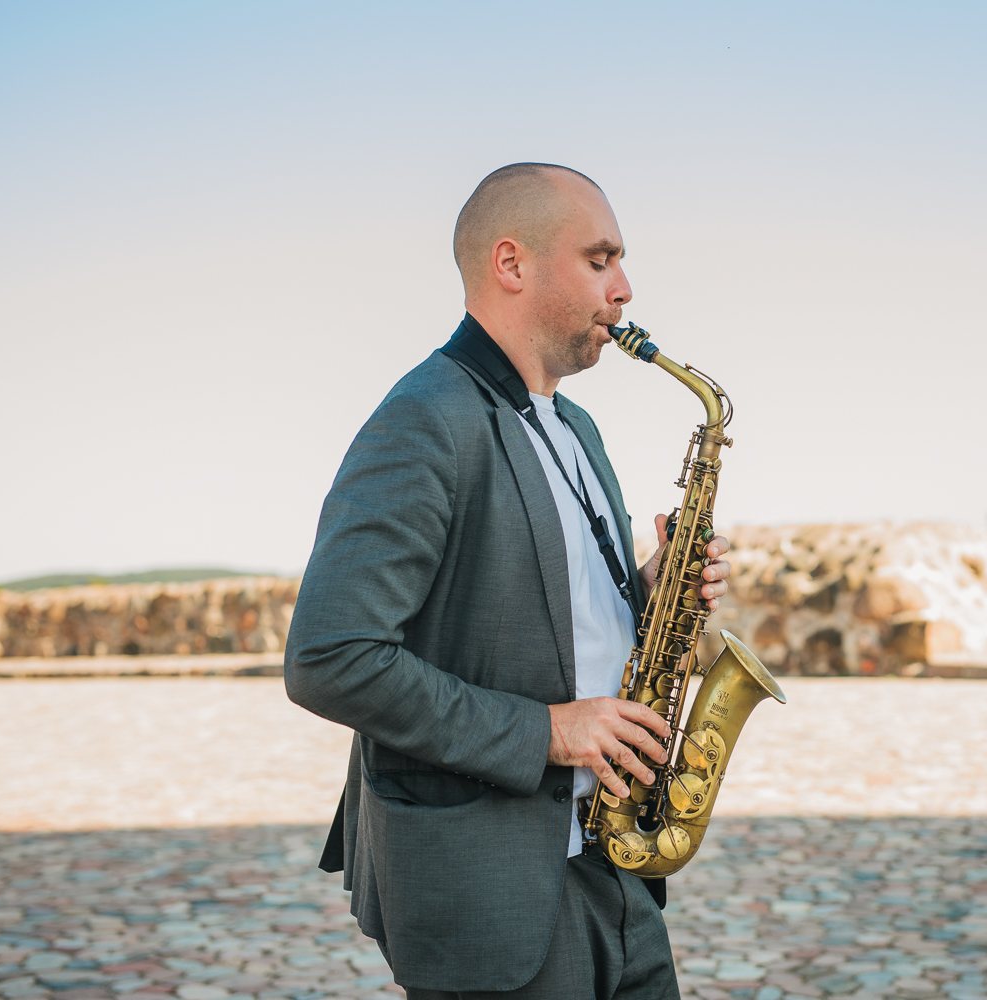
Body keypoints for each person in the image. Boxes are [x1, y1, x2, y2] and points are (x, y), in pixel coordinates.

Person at [283, 162, 733, 999]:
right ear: (512, 263)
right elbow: (330, 656)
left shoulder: (578, 427)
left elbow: (557, 619)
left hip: (614, 864)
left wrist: (652, 589)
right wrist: (550, 734)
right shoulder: (423, 419)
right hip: (494, 891)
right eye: (600, 259)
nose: (625, 287)